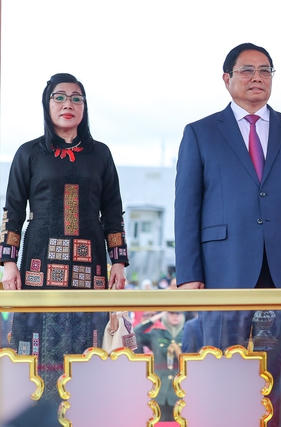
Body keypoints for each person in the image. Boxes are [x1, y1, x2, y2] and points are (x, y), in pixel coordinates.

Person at [174, 42, 281, 427]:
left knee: (280, 369)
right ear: (227, 79)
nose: (257, 78)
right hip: (223, 270)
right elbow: (186, 208)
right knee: (221, 365)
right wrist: (189, 275)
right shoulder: (201, 133)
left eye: (264, 70)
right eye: (247, 70)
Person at [0, 73, 128, 401]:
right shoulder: (29, 153)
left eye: (75, 98)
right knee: (35, 345)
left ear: (84, 107)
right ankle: (35, 413)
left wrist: (119, 262)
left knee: (89, 345)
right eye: (59, 97)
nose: (67, 104)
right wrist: (8, 262)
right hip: (38, 265)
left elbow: (113, 211)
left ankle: (85, 411)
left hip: (91, 266)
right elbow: (13, 210)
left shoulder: (100, 154)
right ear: (47, 104)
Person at [134, 311, 185, 422]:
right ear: (165, 315)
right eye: (171, 313)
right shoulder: (156, 334)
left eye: (178, 313)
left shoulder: (187, 333)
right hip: (160, 390)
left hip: (180, 389)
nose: (175, 316)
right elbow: (135, 334)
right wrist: (154, 319)